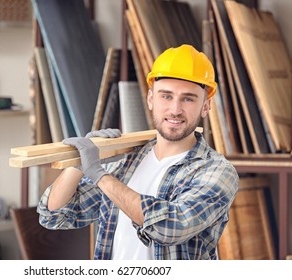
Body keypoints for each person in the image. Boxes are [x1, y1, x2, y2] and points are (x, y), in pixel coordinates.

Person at [37, 44, 239, 260]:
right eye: (166, 96)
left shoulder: (217, 171)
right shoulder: (126, 161)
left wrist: (99, 174)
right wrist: (78, 164)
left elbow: (171, 226)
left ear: (206, 106)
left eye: (188, 98)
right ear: (151, 99)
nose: (175, 109)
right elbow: (54, 215)